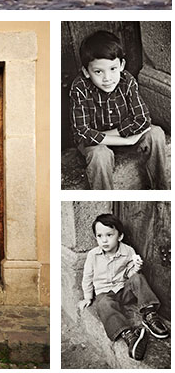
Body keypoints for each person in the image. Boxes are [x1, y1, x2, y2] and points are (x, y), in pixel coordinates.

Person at [69, 29, 169, 190]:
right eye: (98, 71)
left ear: (121, 65)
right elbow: (81, 133)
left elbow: (143, 120)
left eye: (113, 69)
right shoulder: (79, 88)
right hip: (96, 144)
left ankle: (160, 189)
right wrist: (126, 140)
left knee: (155, 133)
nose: (107, 78)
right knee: (99, 156)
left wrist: (119, 134)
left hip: (114, 134)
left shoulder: (126, 81)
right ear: (87, 72)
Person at [78, 213, 170, 360]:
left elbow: (130, 274)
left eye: (109, 235)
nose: (104, 240)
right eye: (99, 236)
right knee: (103, 305)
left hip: (124, 290)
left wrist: (136, 267)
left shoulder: (128, 251)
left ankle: (149, 314)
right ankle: (129, 336)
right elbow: (87, 277)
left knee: (138, 278)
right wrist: (88, 297)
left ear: (119, 236)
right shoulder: (92, 255)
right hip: (105, 294)